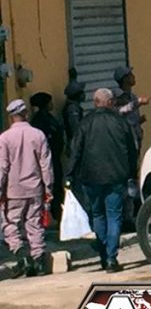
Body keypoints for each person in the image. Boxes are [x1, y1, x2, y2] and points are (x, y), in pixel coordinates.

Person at [67, 88, 138, 273]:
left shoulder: (85, 123)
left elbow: (76, 150)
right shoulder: (120, 122)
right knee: (114, 216)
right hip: (116, 177)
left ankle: (104, 255)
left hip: (91, 178)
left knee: (98, 215)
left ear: (95, 102)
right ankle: (111, 258)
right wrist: (132, 173)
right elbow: (132, 150)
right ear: (110, 102)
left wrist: (69, 174)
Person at [0, 99, 53, 277]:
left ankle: (21, 256)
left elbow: (2, 167)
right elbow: (46, 164)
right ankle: (39, 261)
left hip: (13, 190)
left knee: (10, 224)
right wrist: (48, 188)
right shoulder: (38, 135)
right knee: (34, 224)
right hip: (35, 188)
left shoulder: (5, 138)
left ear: (11, 117)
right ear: (26, 114)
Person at [29, 92, 64, 222]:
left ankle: (58, 214)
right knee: (53, 187)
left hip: (55, 157)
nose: (51, 105)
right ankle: (55, 214)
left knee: (57, 186)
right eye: (49, 102)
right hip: (48, 159)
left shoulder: (47, 118)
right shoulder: (40, 121)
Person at [112, 65, 149, 152]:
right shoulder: (116, 97)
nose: (133, 76)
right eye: (130, 75)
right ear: (125, 79)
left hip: (136, 138)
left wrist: (139, 120)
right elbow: (119, 113)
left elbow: (130, 119)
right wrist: (137, 103)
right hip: (125, 140)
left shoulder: (133, 96)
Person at [62, 79, 86, 146]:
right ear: (77, 95)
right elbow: (75, 128)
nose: (84, 94)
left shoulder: (75, 107)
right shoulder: (72, 108)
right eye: (82, 92)